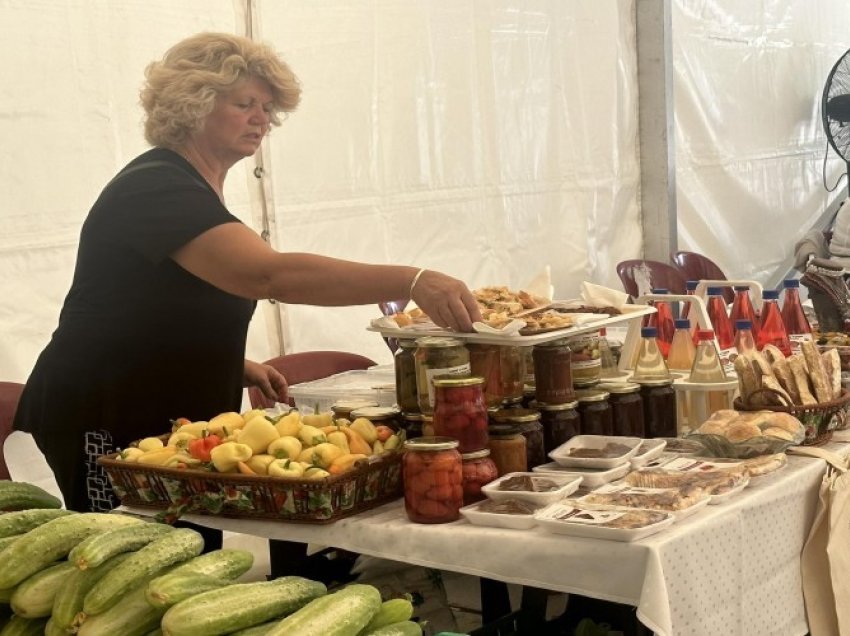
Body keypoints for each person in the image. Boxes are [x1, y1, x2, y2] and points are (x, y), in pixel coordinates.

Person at [12, 32, 482, 516]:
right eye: (245, 104)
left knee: (191, 557)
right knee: (130, 562)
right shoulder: (156, 187)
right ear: (191, 106)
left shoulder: (193, 188)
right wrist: (412, 280)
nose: (263, 119)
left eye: (267, 108)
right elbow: (266, 276)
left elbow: (152, 302)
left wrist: (229, 363)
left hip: (165, 412)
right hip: (103, 411)